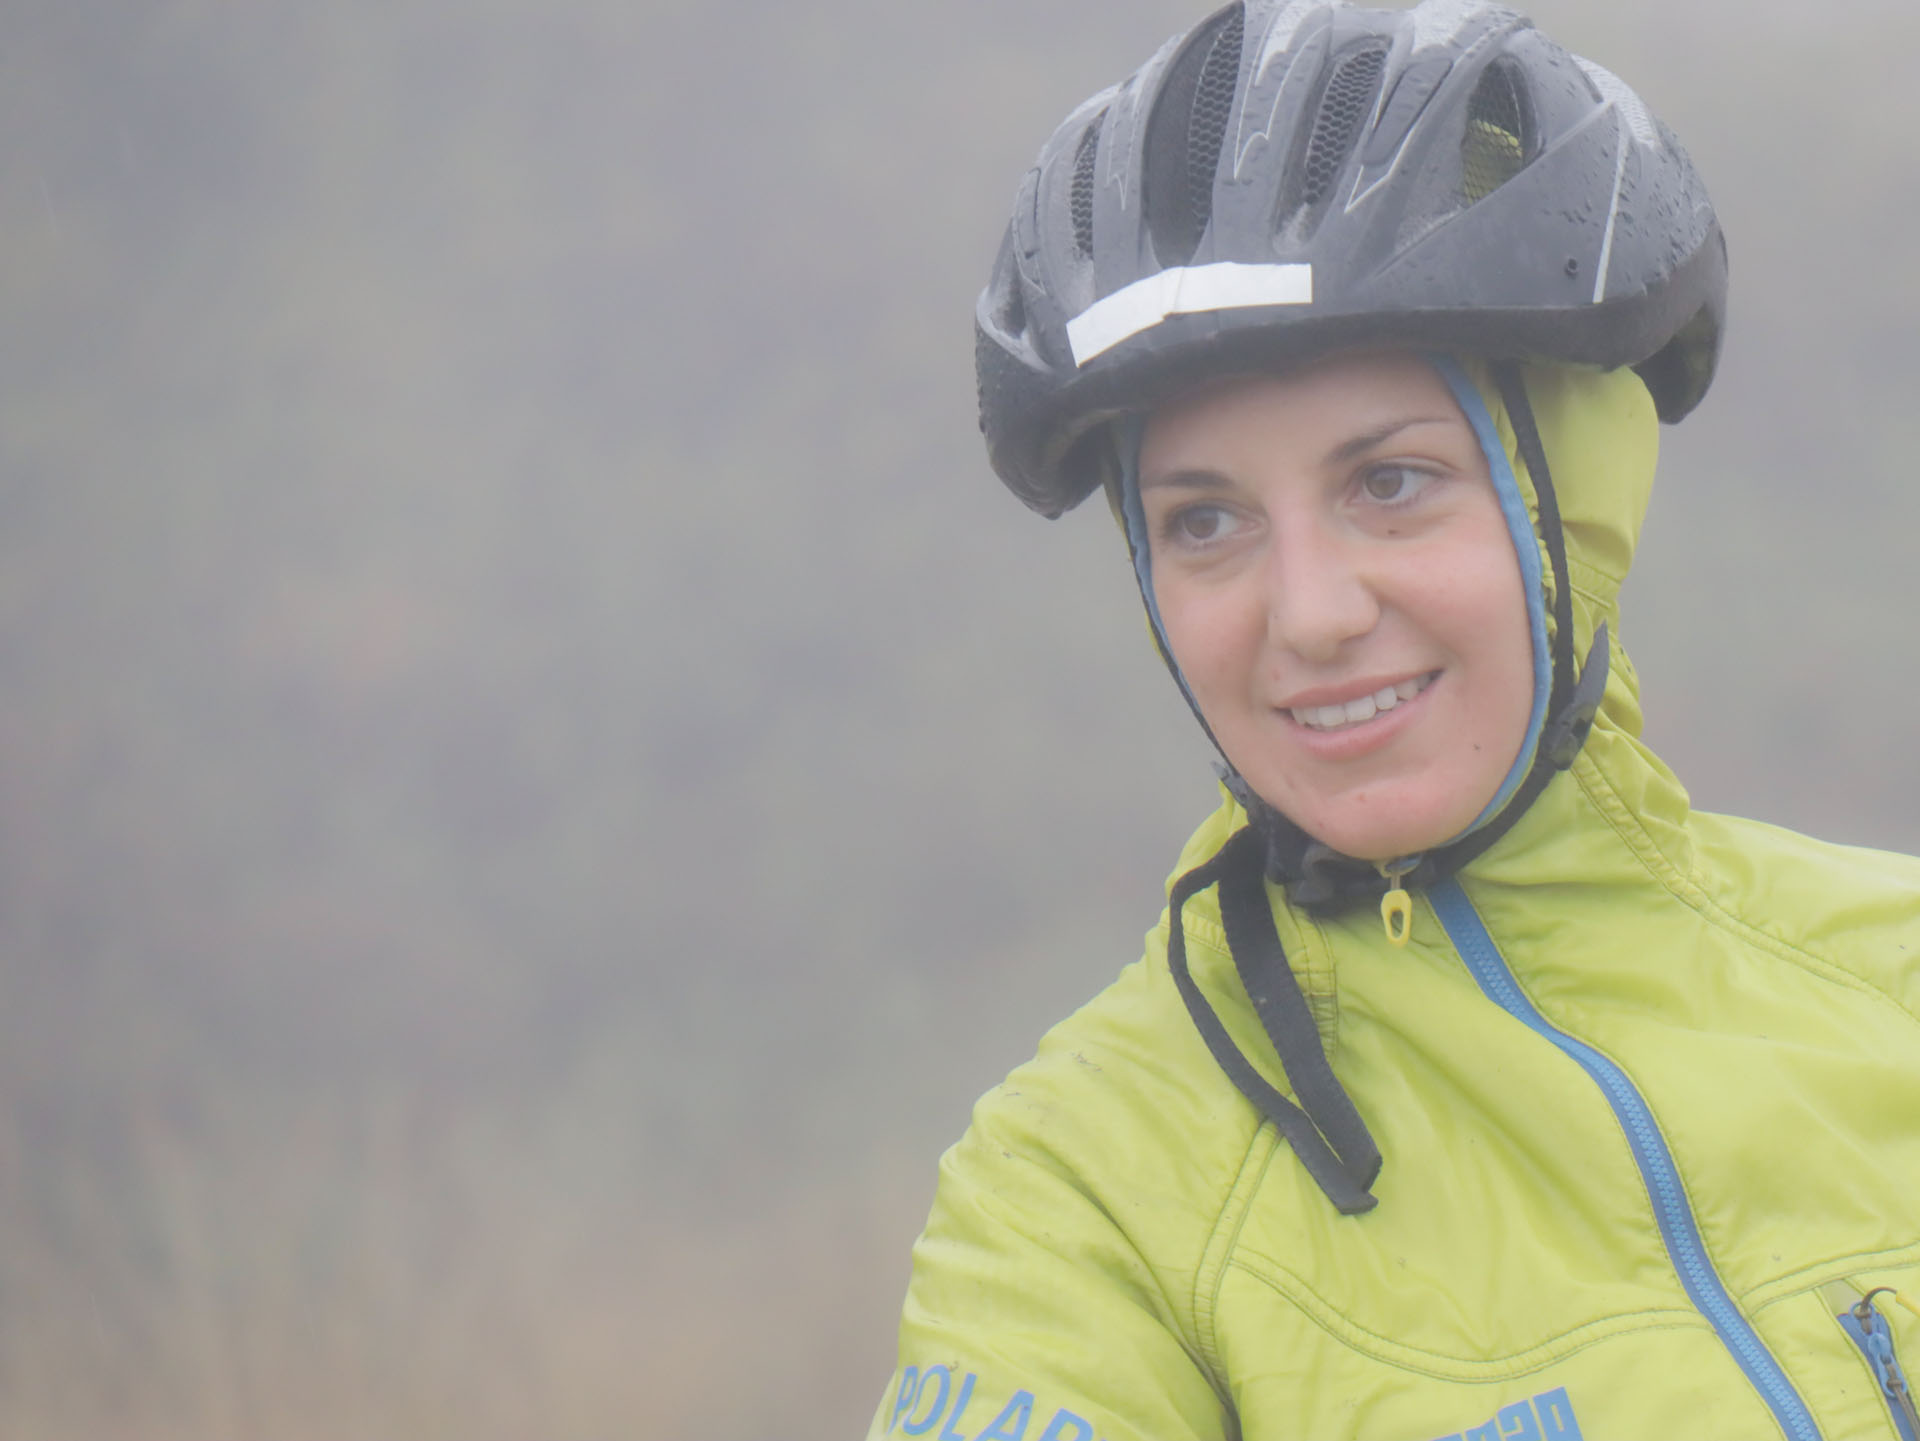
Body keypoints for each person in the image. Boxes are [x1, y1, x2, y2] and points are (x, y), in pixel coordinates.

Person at [870, 2, 1920, 1438]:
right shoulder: (1084, 1195)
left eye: (1390, 483)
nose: (1308, 613)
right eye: (1205, 521)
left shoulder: (1892, 971)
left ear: (1571, 498)